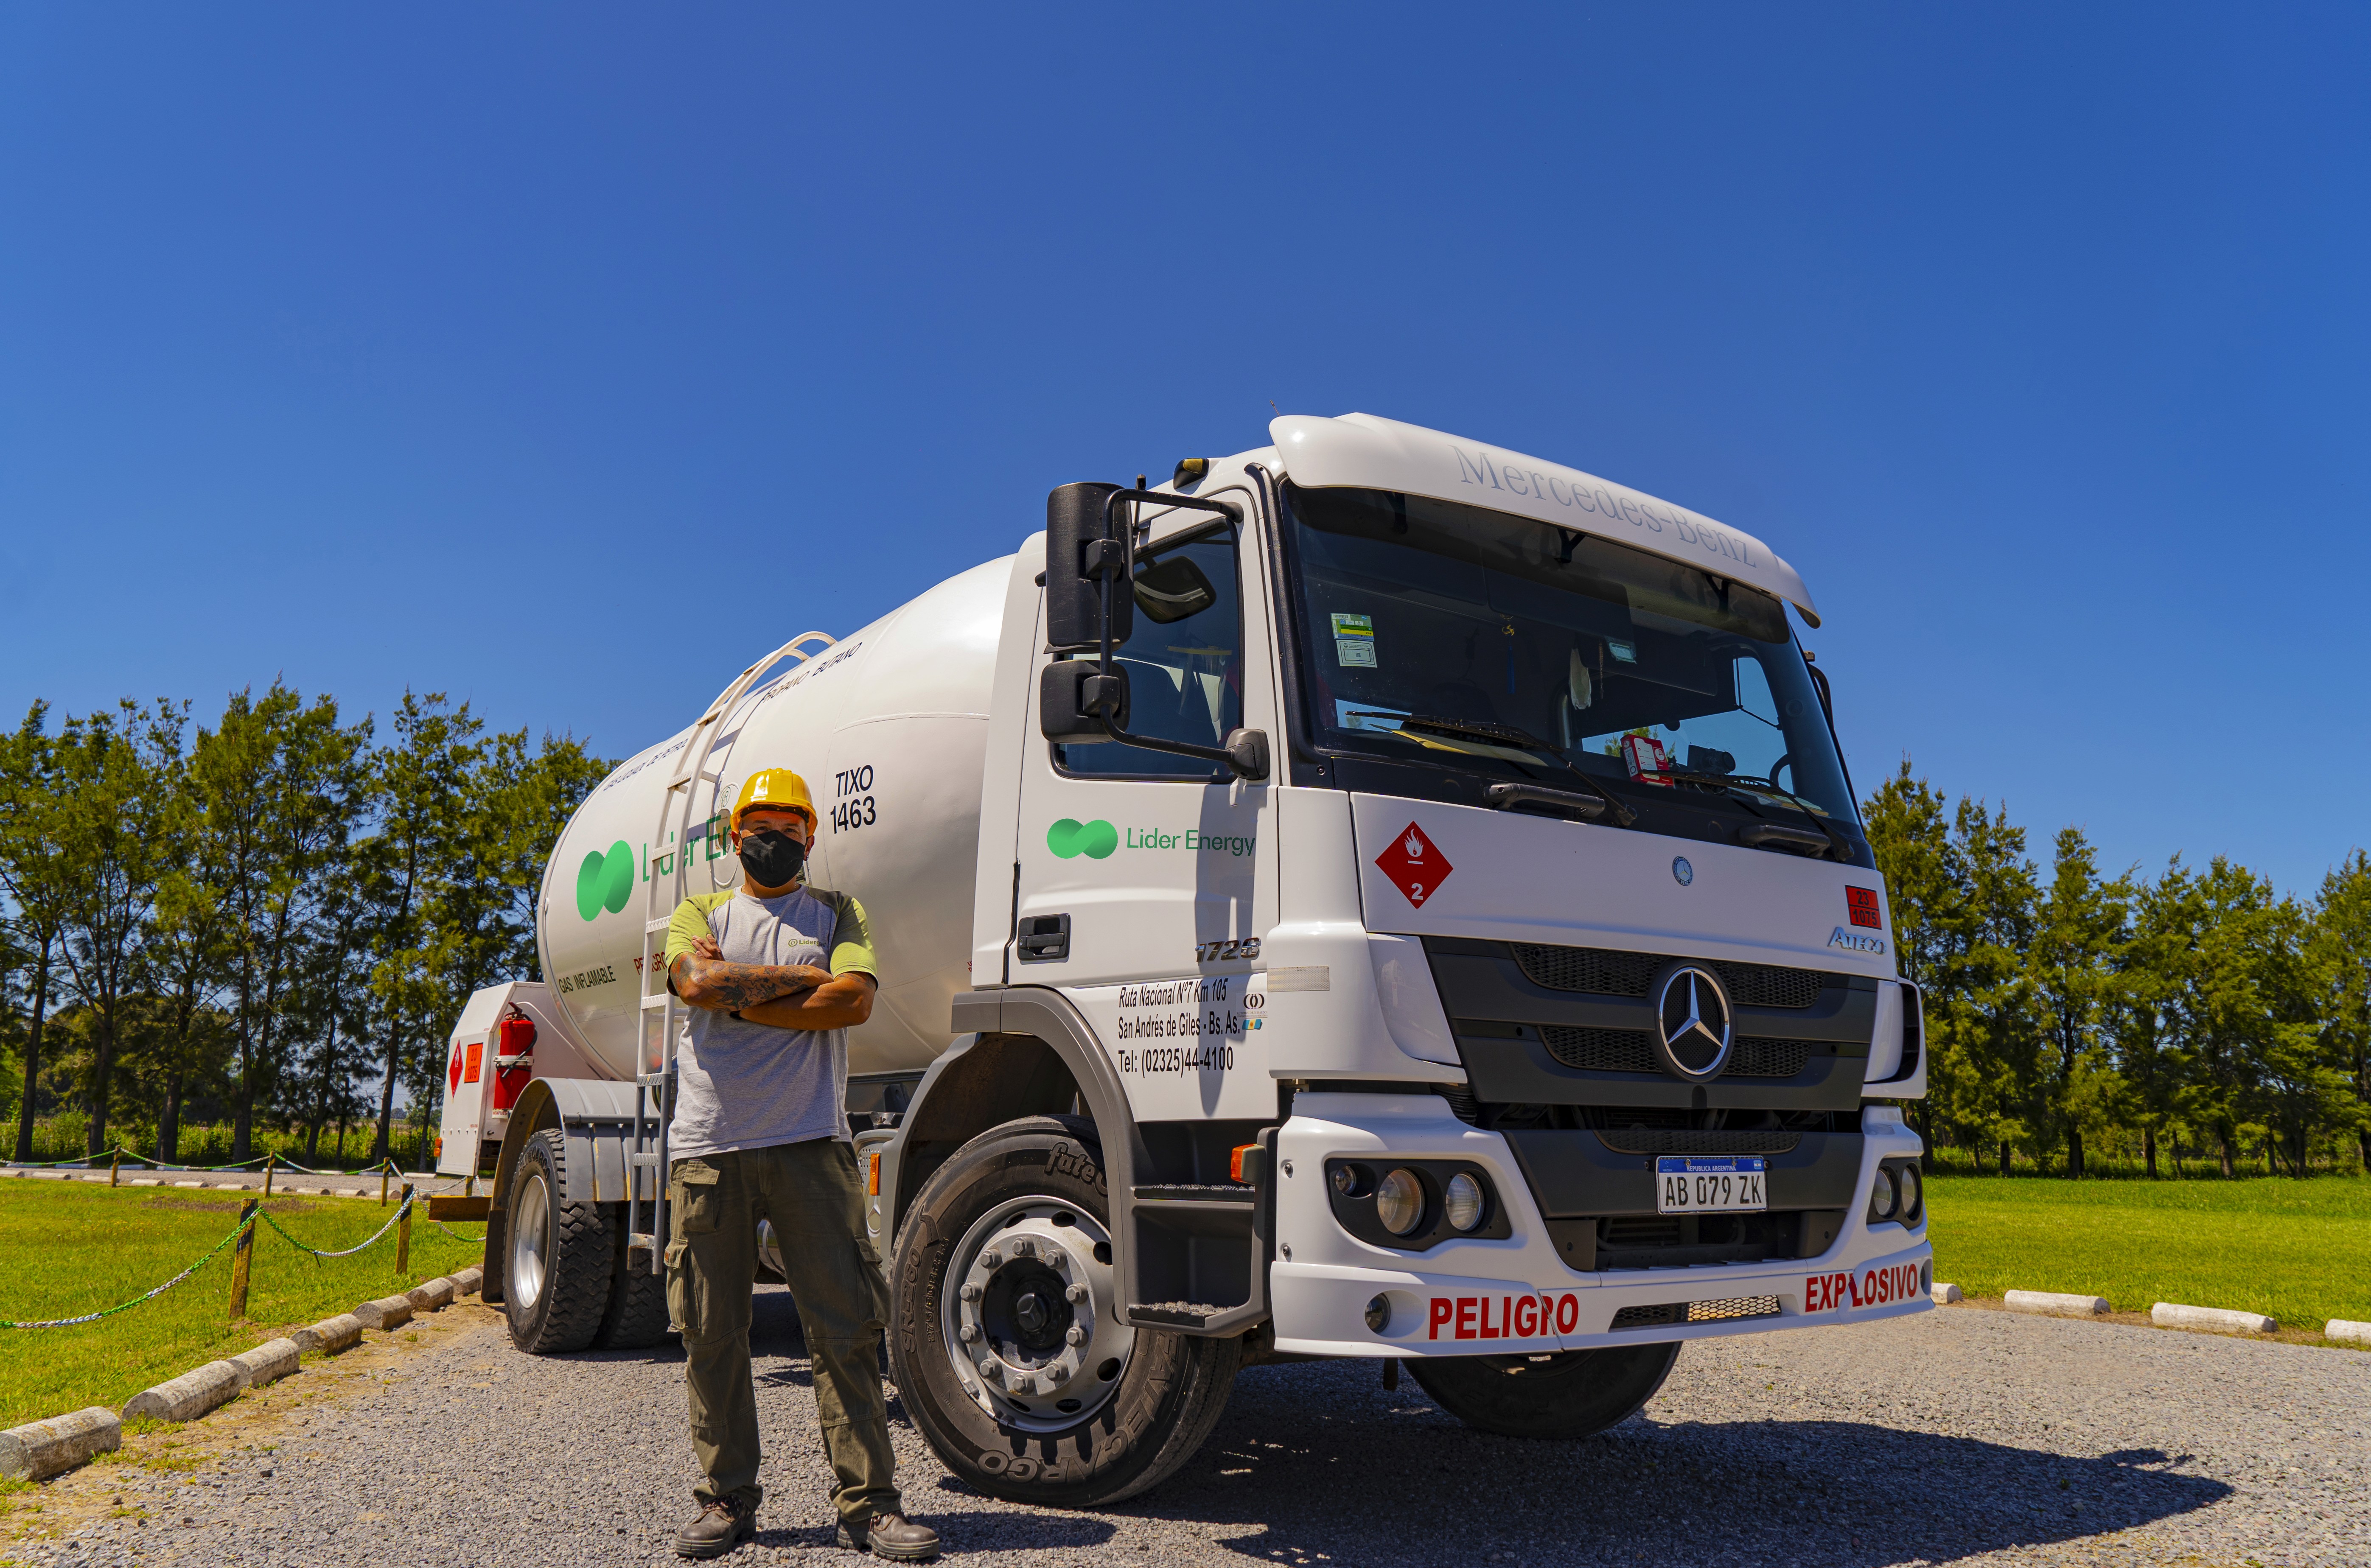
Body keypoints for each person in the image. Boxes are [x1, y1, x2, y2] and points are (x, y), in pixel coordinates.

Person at [660, 767, 940, 1562]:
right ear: (731, 835)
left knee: (845, 1329)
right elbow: (695, 980)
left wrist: (737, 997)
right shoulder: (698, 911)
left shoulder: (838, 911)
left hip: (813, 1144)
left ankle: (869, 1507)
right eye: (759, 827)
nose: (774, 840)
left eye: (790, 828)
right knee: (712, 1333)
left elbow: (852, 1002)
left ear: (812, 836)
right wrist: (796, 982)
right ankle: (726, 1501)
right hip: (710, 1148)